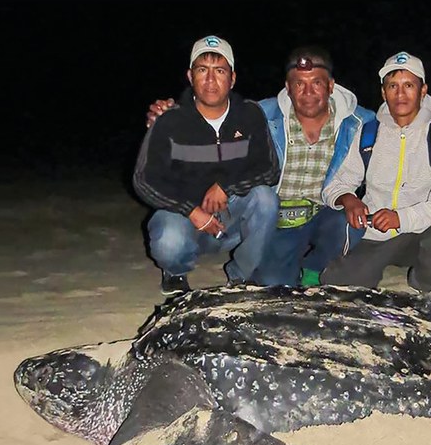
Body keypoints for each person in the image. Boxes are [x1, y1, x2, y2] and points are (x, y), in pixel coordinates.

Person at [146, 46, 376, 287]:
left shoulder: (362, 122)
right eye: (299, 84)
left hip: (326, 211)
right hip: (277, 220)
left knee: (354, 221)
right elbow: (213, 119)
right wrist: (168, 117)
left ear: (330, 85)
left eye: (316, 83)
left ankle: (315, 267)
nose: (308, 92)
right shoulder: (259, 115)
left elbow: (397, 129)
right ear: (287, 87)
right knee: (272, 283)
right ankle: (239, 270)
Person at [133, 35, 280, 296]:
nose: (211, 80)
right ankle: (176, 272)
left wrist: (226, 187)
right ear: (190, 76)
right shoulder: (169, 120)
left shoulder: (250, 114)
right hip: (186, 220)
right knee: (169, 239)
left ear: (232, 79)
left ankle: (242, 277)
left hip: (231, 218)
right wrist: (190, 210)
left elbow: (269, 168)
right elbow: (144, 180)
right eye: (203, 70)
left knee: (266, 199)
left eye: (220, 70)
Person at [320, 51, 431, 294]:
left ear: (423, 91)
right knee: (336, 284)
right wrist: (348, 199)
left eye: (409, 85)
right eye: (392, 86)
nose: (400, 94)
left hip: (421, 233)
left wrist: (402, 218)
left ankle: (427, 285)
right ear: (383, 92)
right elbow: (336, 184)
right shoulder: (368, 133)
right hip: (375, 235)